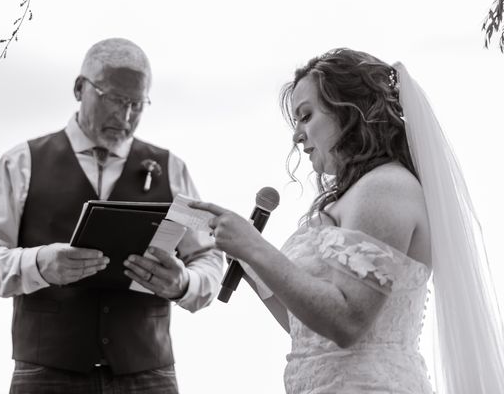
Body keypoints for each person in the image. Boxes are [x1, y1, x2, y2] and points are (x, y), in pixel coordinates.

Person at [192, 48, 504, 393]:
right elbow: (309, 332)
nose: (296, 135)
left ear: (349, 111)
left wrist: (257, 248)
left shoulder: (386, 188)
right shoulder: (356, 194)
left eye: (306, 116)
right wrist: (251, 263)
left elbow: (347, 321)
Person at [0, 37, 223, 394]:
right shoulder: (21, 163)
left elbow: (208, 255)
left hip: (149, 375)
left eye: (136, 104)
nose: (126, 116)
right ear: (79, 88)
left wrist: (184, 284)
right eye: (115, 100)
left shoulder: (172, 170)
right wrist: (38, 264)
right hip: (46, 375)